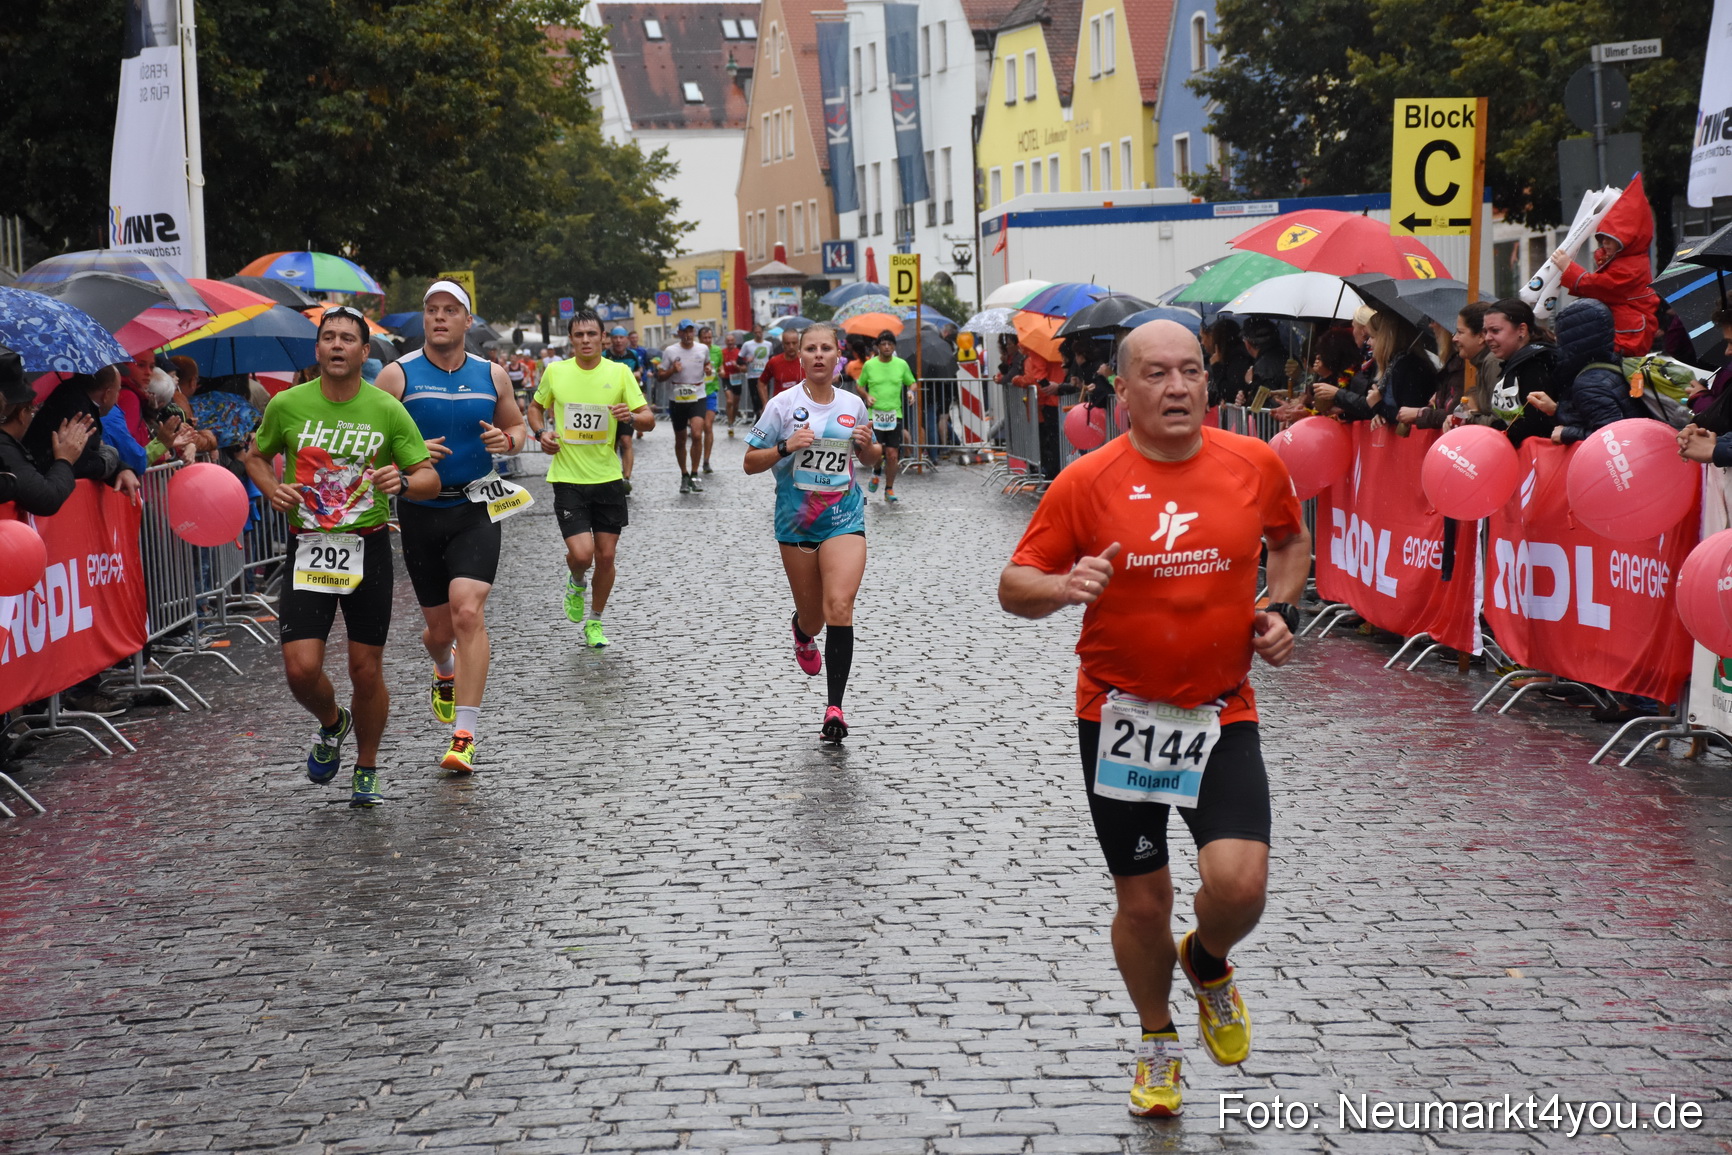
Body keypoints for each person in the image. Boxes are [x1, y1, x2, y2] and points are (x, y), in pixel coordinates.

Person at [998, 319, 1308, 1119]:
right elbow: (1014, 582)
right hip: (1120, 714)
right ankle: (1158, 1039)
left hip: (1219, 709)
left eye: (1191, 372)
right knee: (1144, 903)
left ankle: (1208, 961)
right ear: (1123, 389)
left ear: (1208, 382)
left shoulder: (1255, 462)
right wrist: (1064, 587)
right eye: (1158, 374)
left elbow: (1289, 541)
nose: (1178, 387)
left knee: (1239, 885)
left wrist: (1278, 611)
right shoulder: (1087, 481)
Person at [244, 305, 440, 806]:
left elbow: (428, 477)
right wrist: (270, 488)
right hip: (309, 546)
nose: (336, 345)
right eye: (328, 337)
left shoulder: (387, 409)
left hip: (366, 545)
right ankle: (333, 723)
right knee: (300, 668)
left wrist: (404, 481)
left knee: (365, 669)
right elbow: (256, 456)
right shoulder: (287, 405)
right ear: (317, 350)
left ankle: (367, 766)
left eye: (346, 339)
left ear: (363, 351)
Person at [373, 280, 527, 774]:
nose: (439, 318)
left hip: (477, 506)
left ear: (466, 321)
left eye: (449, 310)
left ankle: (465, 734)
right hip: (421, 513)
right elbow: (370, 446)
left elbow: (518, 429)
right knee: (439, 631)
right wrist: (408, 456)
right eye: (431, 310)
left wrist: (508, 441)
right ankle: (443, 668)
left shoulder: (493, 375)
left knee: (467, 613)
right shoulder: (397, 377)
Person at [743, 323, 883, 742]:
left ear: (838, 356)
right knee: (816, 617)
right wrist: (786, 446)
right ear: (799, 357)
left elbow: (872, 459)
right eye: (811, 349)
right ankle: (802, 632)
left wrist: (867, 445)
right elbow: (750, 462)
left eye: (827, 349)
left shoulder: (853, 405)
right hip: (796, 522)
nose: (819, 355)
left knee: (839, 605)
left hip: (844, 518)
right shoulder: (782, 407)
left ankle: (834, 708)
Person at [527, 308, 654, 647]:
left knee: (607, 557)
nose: (585, 340)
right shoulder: (555, 372)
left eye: (591, 335)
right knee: (583, 555)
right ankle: (577, 579)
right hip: (567, 477)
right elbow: (535, 407)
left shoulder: (621, 372)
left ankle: (595, 622)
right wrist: (541, 434)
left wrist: (634, 416)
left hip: (608, 478)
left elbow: (648, 418)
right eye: (579, 335)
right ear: (571, 339)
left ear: (602, 338)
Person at [1552, 174, 1660, 357]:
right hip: (1624, 333)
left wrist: (1569, 269)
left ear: (1628, 240)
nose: (1605, 244)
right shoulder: (1626, 260)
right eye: (1603, 238)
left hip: (1628, 337)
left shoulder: (1631, 266)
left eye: (1611, 239)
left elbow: (1600, 286)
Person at [0, 344, 90, 516]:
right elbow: (46, 498)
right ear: (21, 413)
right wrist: (65, 459)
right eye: (31, 410)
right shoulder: (5, 449)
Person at [1541, 300, 1641, 445]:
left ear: (1570, 339)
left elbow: (1613, 440)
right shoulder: (1612, 365)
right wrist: (1556, 410)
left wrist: (1566, 433)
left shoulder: (1588, 384)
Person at [1483, 298, 1557, 445]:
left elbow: (1533, 424)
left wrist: (1491, 432)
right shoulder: (1517, 362)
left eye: (1495, 330)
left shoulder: (1536, 363)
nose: (1487, 338)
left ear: (1521, 330)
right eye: (1485, 331)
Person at [858, 330, 915, 503]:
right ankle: (876, 471)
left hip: (894, 415)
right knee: (877, 453)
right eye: (884, 344)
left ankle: (889, 488)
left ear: (894, 346)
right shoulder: (870, 365)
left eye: (890, 344)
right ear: (878, 346)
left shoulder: (901, 364)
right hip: (874, 415)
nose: (887, 347)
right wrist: (866, 396)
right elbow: (859, 385)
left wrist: (911, 392)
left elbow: (912, 383)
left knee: (892, 455)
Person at [655, 320, 710, 493]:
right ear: (678, 333)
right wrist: (672, 370)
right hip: (677, 398)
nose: (688, 335)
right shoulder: (670, 351)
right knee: (680, 439)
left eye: (691, 331)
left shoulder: (702, 349)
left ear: (694, 332)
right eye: (684, 331)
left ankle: (694, 473)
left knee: (696, 434)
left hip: (697, 396)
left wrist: (708, 369)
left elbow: (707, 364)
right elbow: (660, 376)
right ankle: (684, 475)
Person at [602, 327, 645, 492]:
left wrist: (637, 374)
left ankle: (626, 478)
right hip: (608, 405)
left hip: (627, 405)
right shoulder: (605, 356)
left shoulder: (633, 355)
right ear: (611, 339)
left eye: (621, 338)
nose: (619, 341)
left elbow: (640, 369)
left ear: (626, 339)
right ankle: (612, 477)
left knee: (626, 441)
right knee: (612, 443)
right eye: (616, 338)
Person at [758, 326, 806, 410]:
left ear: (799, 343)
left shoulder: (806, 360)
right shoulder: (774, 362)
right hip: (780, 409)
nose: (791, 347)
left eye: (794, 343)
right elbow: (761, 383)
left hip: (802, 409)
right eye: (787, 343)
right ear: (783, 344)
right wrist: (765, 403)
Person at [738, 323, 773, 422]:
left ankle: (762, 419)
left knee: (765, 400)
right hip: (753, 376)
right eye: (756, 332)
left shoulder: (768, 344)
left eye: (760, 332)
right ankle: (759, 418)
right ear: (753, 333)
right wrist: (746, 361)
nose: (758, 334)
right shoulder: (747, 345)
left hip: (765, 376)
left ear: (763, 332)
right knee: (755, 400)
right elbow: (739, 359)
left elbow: (770, 358)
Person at [699, 324, 720, 474]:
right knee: (696, 430)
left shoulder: (717, 351)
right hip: (695, 394)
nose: (707, 340)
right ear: (699, 339)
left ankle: (706, 460)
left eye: (709, 338)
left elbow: (720, 368)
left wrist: (722, 371)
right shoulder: (695, 351)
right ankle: (697, 457)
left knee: (708, 426)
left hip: (711, 392)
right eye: (705, 338)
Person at [721, 331, 745, 435]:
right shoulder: (722, 352)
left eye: (732, 341)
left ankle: (732, 421)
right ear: (725, 342)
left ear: (734, 342)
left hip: (737, 379)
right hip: (726, 379)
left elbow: (745, 368)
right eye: (728, 341)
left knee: (735, 404)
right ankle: (730, 424)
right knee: (729, 401)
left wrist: (738, 366)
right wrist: (720, 371)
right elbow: (719, 366)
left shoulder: (739, 353)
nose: (730, 342)